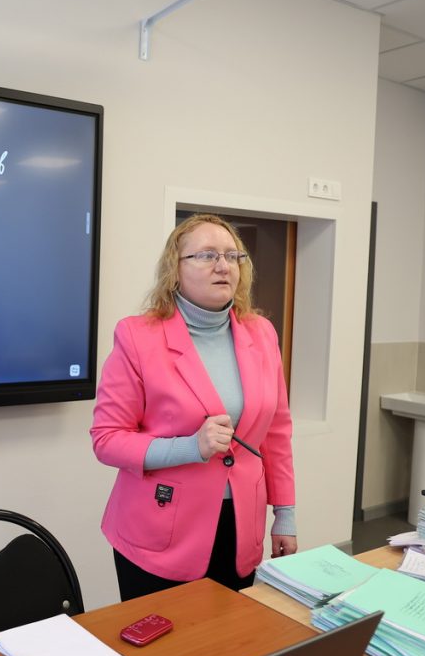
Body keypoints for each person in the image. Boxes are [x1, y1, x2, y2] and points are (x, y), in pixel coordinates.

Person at [91, 213, 297, 601]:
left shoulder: (261, 332)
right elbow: (107, 439)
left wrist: (284, 513)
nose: (223, 266)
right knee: (165, 639)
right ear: (175, 269)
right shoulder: (137, 336)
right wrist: (191, 447)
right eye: (206, 255)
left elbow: (276, 433)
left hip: (240, 527)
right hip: (161, 530)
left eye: (232, 256)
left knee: (231, 635)